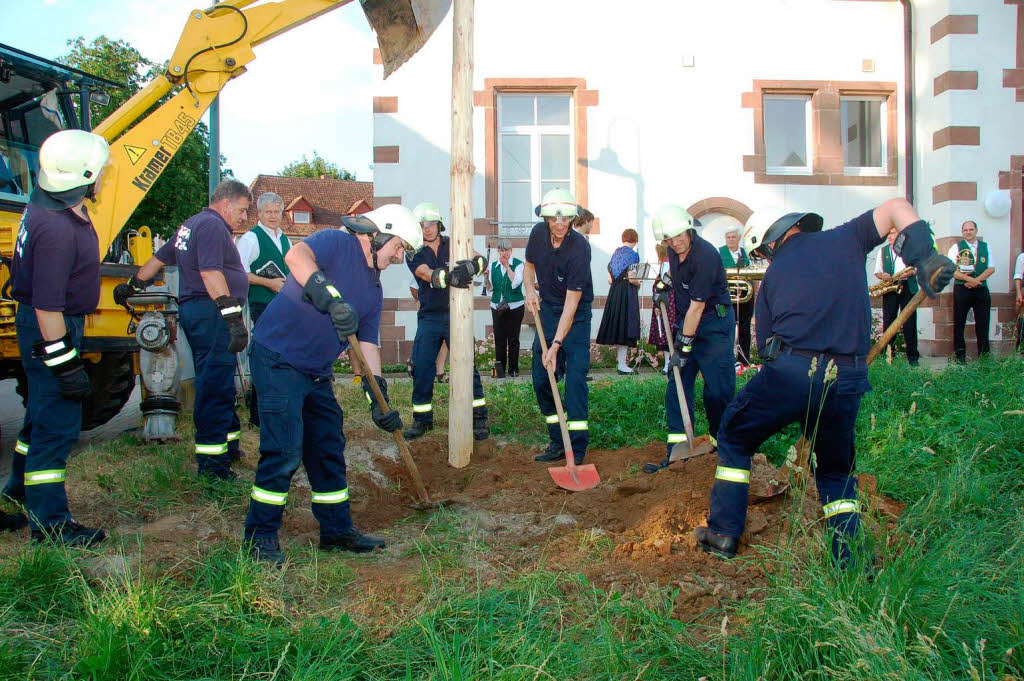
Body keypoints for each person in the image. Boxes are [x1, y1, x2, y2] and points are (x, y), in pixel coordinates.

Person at [694, 200, 955, 566]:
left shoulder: (772, 277)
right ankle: (849, 560)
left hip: (791, 371)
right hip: (847, 378)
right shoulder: (847, 239)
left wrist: (796, 396)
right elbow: (897, 206)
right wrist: (926, 257)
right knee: (835, 471)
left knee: (735, 436)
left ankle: (722, 533)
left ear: (771, 242)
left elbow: (766, 349)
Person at [242, 204, 421, 565]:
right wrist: (327, 293)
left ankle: (336, 530)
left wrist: (377, 394)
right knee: (285, 450)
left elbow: (367, 346)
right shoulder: (335, 243)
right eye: (399, 246)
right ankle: (259, 538)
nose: (400, 256)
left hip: (316, 372)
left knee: (327, 447)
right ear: (378, 235)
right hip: (277, 358)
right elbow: (297, 255)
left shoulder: (373, 291)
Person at [7, 130, 112, 545]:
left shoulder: (53, 206)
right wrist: (65, 362)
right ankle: (50, 524)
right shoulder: (56, 230)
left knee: (38, 417)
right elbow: (46, 306)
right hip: (52, 327)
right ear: (83, 176)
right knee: (57, 427)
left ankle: (18, 496)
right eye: (100, 169)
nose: (105, 174)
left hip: (55, 325)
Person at [116, 180, 253, 480]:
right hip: (211, 313)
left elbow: (158, 259)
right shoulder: (213, 226)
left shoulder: (189, 227)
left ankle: (229, 448)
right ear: (226, 203)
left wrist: (133, 285)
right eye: (243, 210)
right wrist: (232, 318)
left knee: (219, 379)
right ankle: (213, 467)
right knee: (214, 385)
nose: (244, 217)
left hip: (201, 312)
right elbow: (209, 272)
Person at [643, 206, 736, 474]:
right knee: (678, 384)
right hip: (689, 320)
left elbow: (697, 306)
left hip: (713, 324)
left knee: (718, 390)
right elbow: (676, 273)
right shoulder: (674, 250)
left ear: (688, 229)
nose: (675, 243)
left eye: (678, 236)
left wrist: (683, 346)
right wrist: (664, 283)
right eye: (669, 240)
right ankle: (678, 452)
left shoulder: (706, 255)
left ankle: (724, 448)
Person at [402, 202, 489, 441]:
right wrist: (451, 277)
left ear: (439, 224)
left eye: (430, 224)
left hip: (456, 314)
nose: (426, 229)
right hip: (429, 316)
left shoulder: (455, 243)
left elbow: (481, 261)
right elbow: (424, 273)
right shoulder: (414, 250)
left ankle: (479, 418)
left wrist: (474, 265)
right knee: (422, 366)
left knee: (467, 367)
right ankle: (422, 420)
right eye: (421, 225)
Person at [525, 188, 593, 465]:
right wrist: (529, 289)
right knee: (542, 377)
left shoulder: (579, 247)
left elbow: (572, 304)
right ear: (545, 219)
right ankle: (557, 439)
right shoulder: (537, 235)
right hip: (549, 310)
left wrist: (555, 345)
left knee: (575, 380)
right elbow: (529, 266)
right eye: (554, 218)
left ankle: (575, 449)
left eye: (565, 218)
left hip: (575, 316)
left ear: (572, 218)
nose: (560, 224)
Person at [235, 192, 290, 427]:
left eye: (276, 212)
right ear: (259, 213)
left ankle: (278, 407)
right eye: (268, 212)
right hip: (262, 304)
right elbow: (240, 273)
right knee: (264, 355)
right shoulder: (250, 239)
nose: (272, 216)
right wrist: (269, 283)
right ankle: (257, 414)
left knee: (282, 356)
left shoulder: (285, 238)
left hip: (283, 305)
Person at [947, 220, 995, 362]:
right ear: (962, 232)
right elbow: (951, 270)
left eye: (971, 229)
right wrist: (968, 280)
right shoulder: (956, 247)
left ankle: (984, 358)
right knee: (959, 323)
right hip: (962, 289)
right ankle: (960, 357)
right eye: (965, 230)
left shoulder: (986, 247)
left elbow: (991, 268)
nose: (968, 232)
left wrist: (976, 281)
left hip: (981, 289)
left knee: (983, 323)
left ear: (976, 230)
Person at [596, 229, 642, 374]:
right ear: (635, 240)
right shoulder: (633, 255)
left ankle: (621, 364)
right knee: (626, 327)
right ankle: (622, 365)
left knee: (618, 327)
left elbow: (610, 279)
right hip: (627, 293)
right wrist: (638, 284)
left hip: (614, 293)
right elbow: (632, 277)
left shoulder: (615, 254)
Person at [873, 227, 920, 365]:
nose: (889, 236)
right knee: (889, 322)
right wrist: (884, 276)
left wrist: (911, 273)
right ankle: (889, 357)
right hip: (891, 287)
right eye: (889, 234)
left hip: (907, 286)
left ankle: (913, 358)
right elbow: (878, 272)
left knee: (910, 323)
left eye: (893, 233)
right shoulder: (883, 251)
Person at [486, 239, 526, 378]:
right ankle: (500, 370)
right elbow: (490, 288)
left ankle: (513, 369)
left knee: (513, 339)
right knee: (500, 339)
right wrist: (486, 279)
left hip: (515, 306)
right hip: (497, 306)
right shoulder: (492, 266)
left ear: (511, 251)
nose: (505, 253)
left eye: (507, 250)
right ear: (498, 251)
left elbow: (515, 283)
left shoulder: (519, 265)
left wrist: (507, 266)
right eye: (502, 250)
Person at [719, 226, 754, 366]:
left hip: (745, 296)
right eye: (728, 237)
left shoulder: (745, 253)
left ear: (738, 239)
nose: (731, 240)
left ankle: (744, 359)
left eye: (733, 237)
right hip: (728, 297)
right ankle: (727, 359)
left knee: (744, 328)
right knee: (727, 327)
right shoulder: (720, 252)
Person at [648, 243, 676, 374]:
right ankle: (668, 364)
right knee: (667, 333)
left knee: (667, 333)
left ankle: (668, 364)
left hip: (667, 301)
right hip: (668, 301)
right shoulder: (668, 263)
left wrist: (658, 304)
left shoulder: (667, 264)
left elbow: (662, 285)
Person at [1014, 251, 1024, 354]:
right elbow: (1018, 275)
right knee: (1023, 321)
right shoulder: (1022, 257)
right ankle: (1021, 351)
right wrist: (1019, 293)